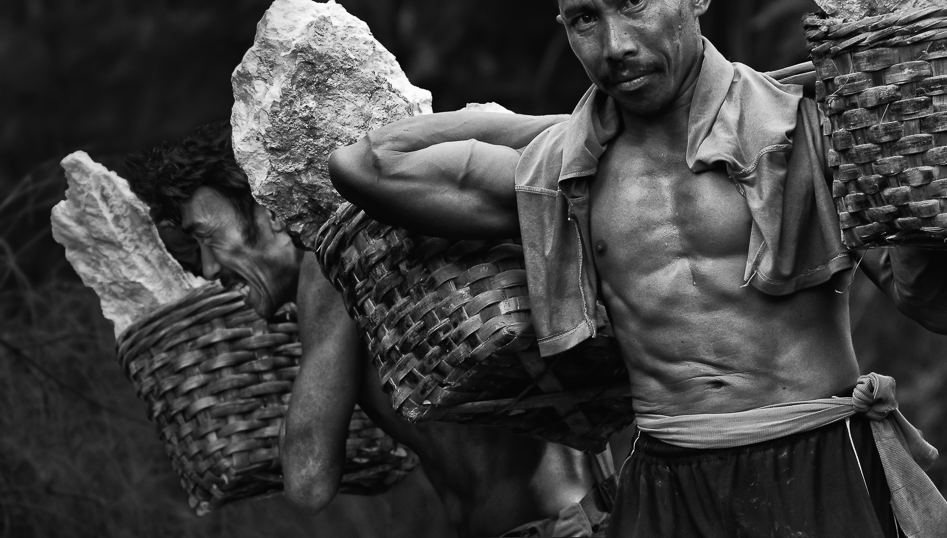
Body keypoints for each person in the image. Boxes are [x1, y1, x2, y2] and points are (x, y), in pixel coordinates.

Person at [329, 0, 947, 538]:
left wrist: (915, 201)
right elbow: (364, 165)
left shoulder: (805, 131)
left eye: (633, 0)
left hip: (815, 463)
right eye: (584, 19)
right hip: (668, 487)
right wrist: (522, 129)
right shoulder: (567, 173)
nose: (613, 44)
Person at [126, 122, 614, 538]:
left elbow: (309, 480)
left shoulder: (328, 269)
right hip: (568, 510)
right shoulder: (368, 270)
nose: (209, 268)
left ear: (266, 206)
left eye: (206, 237)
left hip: (552, 523)